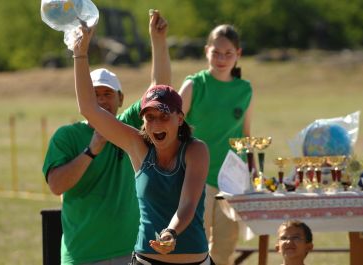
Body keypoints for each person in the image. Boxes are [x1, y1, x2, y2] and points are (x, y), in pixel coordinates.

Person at [72, 10, 213, 265]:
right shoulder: (137, 145)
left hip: (195, 259)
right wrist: (80, 54)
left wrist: (171, 233)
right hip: (147, 260)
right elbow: (89, 109)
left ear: (180, 118)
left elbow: (188, 204)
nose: (155, 123)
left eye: (164, 116)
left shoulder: (196, 149)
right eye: (149, 117)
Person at [42, 11, 169, 265]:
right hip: (83, 255)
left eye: (108, 94)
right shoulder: (67, 136)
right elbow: (57, 185)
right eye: (95, 93)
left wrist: (158, 41)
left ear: (121, 99)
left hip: (131, 251)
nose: (101, 100)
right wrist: (91, 150)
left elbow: (159, 90)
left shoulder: (128, 128)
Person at [178, 24, 254, 265]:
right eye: (216, 52)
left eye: (228, 53)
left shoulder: (245, 90)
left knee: (224, 249)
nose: (222, 59)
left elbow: (246, 134)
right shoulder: (193, 85)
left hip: (231, 181)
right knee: (193, 247)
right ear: (206, 51)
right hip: (193, 178)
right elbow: (171, 128)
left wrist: (253, 174)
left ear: (238, 54)